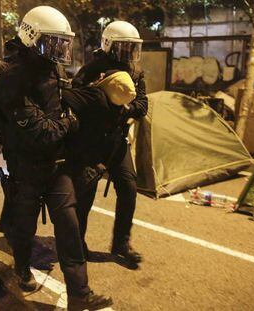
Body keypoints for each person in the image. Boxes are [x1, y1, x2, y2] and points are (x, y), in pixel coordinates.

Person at [0, 6, 113, 310]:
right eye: (53, 42)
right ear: (31, 38)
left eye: (62, 43)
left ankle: (79, 295)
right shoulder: (13, 79)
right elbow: (42, 132)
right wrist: (70, 121)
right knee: (24, 229)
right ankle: (22, 268)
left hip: (57, 166)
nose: (59, 50)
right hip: (27, 168)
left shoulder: (51, 68)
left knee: (70, 230)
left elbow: (58, 114)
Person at [72, 21, 148, 266]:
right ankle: (77, 244)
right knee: (85, 196)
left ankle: (121, 243)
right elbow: (77, 101)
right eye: (123, 47)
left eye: (131, 48)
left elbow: (142, 104)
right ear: (109, 45)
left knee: (128, 188)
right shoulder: (91, 70)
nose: (128, 53)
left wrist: (123, 109)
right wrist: (102, 104)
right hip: (92, 143)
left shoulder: (135, 73)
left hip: (118, 141)